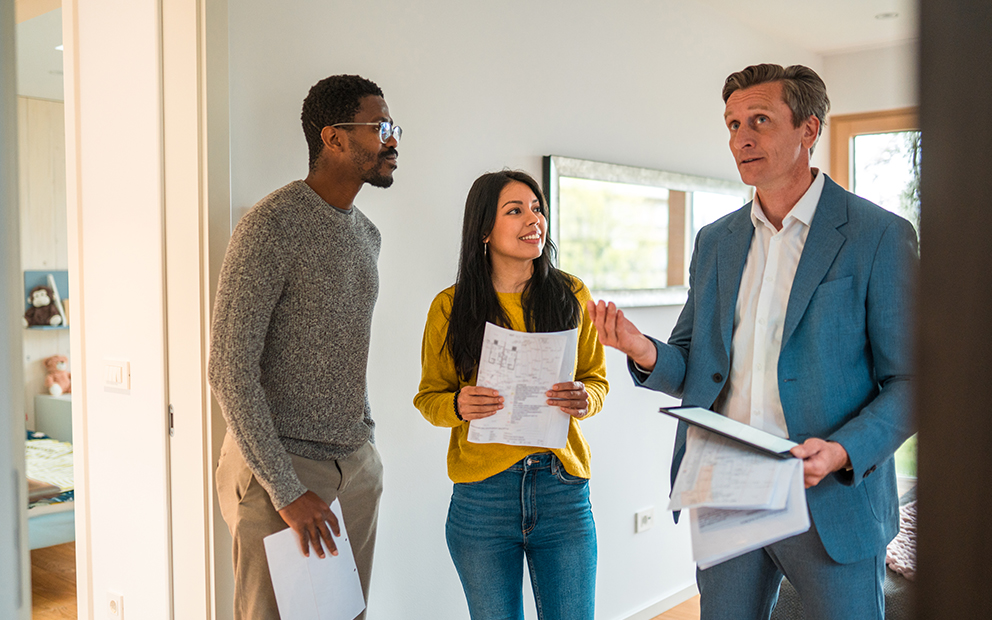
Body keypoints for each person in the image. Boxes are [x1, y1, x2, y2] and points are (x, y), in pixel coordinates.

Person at [589, 64, 917, 620]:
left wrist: (842, 451)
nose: (742, 137)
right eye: (733, 123)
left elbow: (911, 382)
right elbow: (694, 362)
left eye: (760, 120)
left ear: (809, 130)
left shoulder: (878, 235)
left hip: (830, 497)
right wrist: (643, 351)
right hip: (726, 487)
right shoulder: (715, 241)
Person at [208, 74, 400, 620]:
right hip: (281, 475)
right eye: (379, 126)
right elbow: (228, 368)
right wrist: (286, 490)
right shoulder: (270, 225)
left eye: (393, 127)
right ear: (334, 138)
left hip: (354, 468)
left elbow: (345, 352)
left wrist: (364, 446)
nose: (392, 140)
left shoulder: (367, 234)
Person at [414, 170, 609, 620]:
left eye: (537, 208)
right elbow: (429, 398)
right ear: (484, 230)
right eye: (515, 210)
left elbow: (597, 380)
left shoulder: (570, 294)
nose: (533, 219)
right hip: (483, 498)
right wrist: (459, 405)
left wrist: (585, 397)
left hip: (562, 490)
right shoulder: (451, 306)